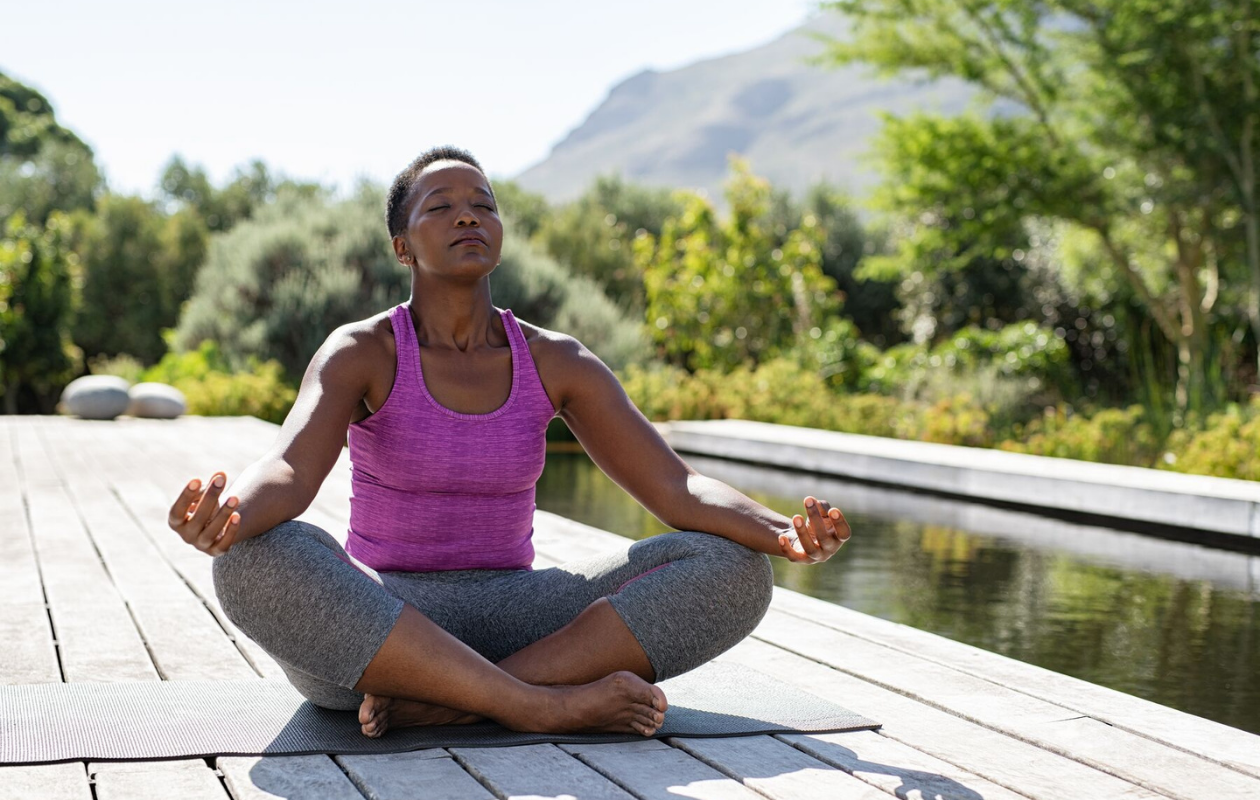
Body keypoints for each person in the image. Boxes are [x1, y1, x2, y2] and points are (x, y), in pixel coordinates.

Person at [167, 146, 851, 739]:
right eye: (440, 206)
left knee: (731, 569)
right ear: (402, 246)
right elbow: (288, 467)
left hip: (525, 620)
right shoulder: (362, 351)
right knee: (253, 559)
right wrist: (231, 518)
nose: (468, 214)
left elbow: (676, 487)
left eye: (483, 203)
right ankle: (535, 707)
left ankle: (456, 706)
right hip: (381, 633)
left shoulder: (557, 361)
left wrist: (780, 531)